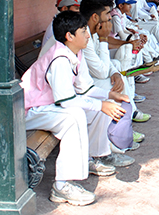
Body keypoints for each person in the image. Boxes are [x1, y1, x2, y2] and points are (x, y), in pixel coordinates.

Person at [21, 11, 129, 206]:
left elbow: (85, 88)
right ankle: (62, 186)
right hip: (28, 111)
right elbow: (67, 102)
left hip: (48, 106)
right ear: (70, 36)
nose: (88, 35)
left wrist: (108, 96)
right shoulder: (59, 59)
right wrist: (101, 104)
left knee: (100, 107)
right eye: (83, 32)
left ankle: (94, 157)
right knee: (73, 117)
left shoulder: (75, 52)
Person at [80, 0, 152, 125]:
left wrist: (115, 73)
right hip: (76, 91)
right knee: (112, 86)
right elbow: (101, 72)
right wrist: (104, 38)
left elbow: (103, 63)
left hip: (88, 79)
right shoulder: (84, 35)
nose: (109, 17)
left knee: (117, 71)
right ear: (95, 17)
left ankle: (127, 120)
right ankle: (122, 129)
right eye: (107, 13)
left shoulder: (93, 31)